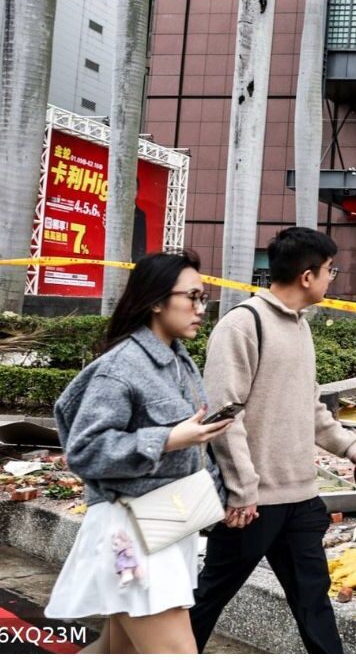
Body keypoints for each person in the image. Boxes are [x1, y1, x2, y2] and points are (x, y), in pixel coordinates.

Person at [190, 227, 356, 653]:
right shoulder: (242, 324)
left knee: (314, 601)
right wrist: (242, 490)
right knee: (209, 598)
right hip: (252, 505)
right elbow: (224, 415)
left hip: (300, 499)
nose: (335, 278)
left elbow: (308, 406)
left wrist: (350, 446)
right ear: (307, 276)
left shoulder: (301, 328)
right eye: (331, 270)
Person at [45, 251, 232, 653]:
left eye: (204, 299)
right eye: (193, 297)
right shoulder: (122, 366)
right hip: (129, 535)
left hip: (166, 525)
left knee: (116, 651)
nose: (201, 309)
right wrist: (168, 439)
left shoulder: (179, 362)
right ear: (156, 301)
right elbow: (85, 451)